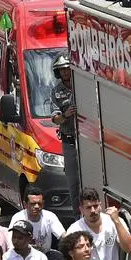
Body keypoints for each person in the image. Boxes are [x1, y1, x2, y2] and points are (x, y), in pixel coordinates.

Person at [49, 55, 81, 211]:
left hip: (89, 141)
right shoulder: (56, 92)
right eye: (62, 70)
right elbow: (55, 119)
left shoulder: (83, 85)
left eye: (68, 68)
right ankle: (77, 217)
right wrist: (65, 115)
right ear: (58, 72)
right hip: (70, 141)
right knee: (73, 184)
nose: (66, 72)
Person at [9, 186, 65, 255]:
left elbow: (63, 235)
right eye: (33, 204)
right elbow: (11, 243)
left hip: (45, 256)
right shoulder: (18, 218)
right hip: (23, 256)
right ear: (25, 204)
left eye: (39, 203)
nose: (37, 206)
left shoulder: (50, 216)